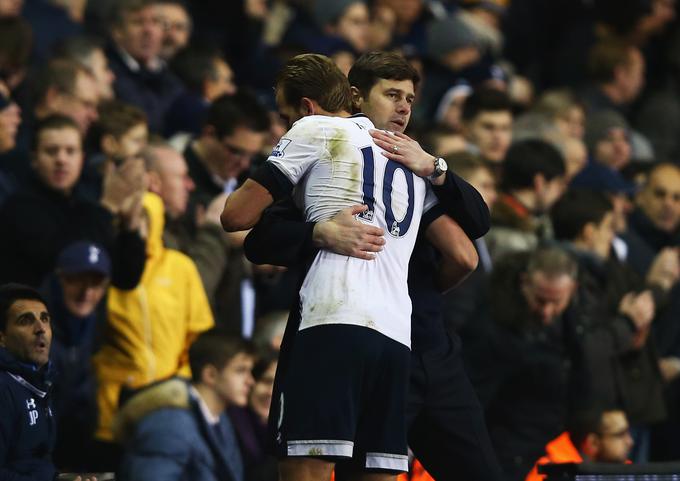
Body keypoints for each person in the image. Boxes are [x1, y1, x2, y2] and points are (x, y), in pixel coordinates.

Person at [236, 52, 500, 481]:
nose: (403, 107)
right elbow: (465, 252)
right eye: (392, 95)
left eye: (411, 99)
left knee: (313, 460)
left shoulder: (401, 161)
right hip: (413, 340)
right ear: (356, 96)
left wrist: (434, 166)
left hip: (353, 326)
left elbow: (250, 229)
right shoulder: (393, 164)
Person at [92, 192, 215, 469]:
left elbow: (195, 334)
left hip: (168, 401)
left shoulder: (180, 267)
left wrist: (177, 384)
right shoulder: (106, 269)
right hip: (112, 401)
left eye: (144, 217)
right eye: (128, 218)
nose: (137, 224)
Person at [0, 114, 146, 290]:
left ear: (82, 159)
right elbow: (67, 260)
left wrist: (130, 228)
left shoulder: (85, 203)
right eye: (51, 151)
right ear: (34, 159)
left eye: (70, 151)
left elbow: (126, 279)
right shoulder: (19, 207)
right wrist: (108, 205)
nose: (61, 160)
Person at [117, 328, 254, 481]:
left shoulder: (220, 419)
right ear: (210, 375)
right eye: (240, 371)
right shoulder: (169, 425)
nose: (250, 381)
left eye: (250, 371)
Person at [0, 283, 96, 481]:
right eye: (25, 320)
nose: (40, 329)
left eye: (45, 319)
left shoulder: (41, 382)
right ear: (2, 337)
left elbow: (35, 465)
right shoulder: (4, 388)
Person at [48, 242, 112, 471]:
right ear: (59, 279)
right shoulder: (32, 331)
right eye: (77, 280)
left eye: (96, 283)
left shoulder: (90, 325)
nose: (87, 292)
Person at [525, 407, 633, 481]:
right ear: (593, 442)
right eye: (620, 435)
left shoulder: (627, 471)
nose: (630, 442)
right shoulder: (547, 474)